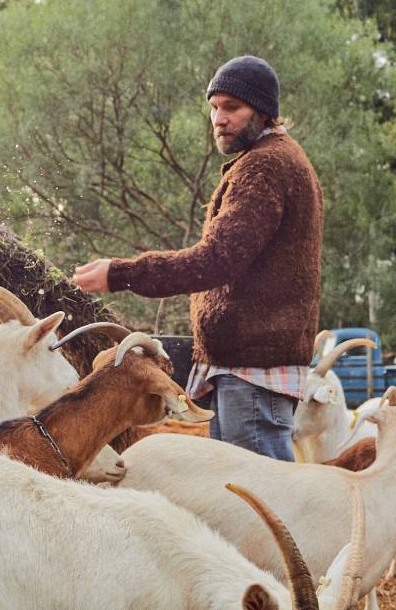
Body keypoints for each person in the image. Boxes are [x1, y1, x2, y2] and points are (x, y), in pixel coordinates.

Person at [72, 55, 323, 461]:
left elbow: (216, 260)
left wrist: (120, 274)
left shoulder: (266, 167)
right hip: (242, 373)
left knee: (260, 507)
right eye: (214, 107)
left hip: (253, 377)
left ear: (263, 113)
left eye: (232, 108)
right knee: (240, 503)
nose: (219, 119)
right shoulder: (268, 161)